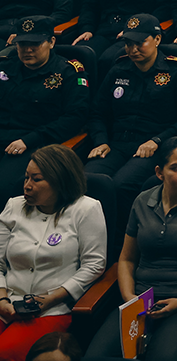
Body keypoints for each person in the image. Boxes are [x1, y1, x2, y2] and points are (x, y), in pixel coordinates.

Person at [83, 137, 177, 359]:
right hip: (142, 300)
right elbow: (127, 259)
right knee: (95, 357)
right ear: (159, 172)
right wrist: (130, 298)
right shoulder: (142, 201)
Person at [0, 145, 106, 360]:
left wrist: (50, 298)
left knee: (5, 352)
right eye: (26, 178)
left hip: (50, 309)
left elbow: (94, 264)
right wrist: (1, 299)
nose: (27, 186)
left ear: (60, 181)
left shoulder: (86, 209)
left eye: (36, 179)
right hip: (6, 302)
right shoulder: (14, 206)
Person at [84, 14, 177, 192]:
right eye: (128, 43)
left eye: (140, 43)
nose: (133, 49)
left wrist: (158, 140)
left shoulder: (176, 71)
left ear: (157, 39)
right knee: (87, 180)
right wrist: (100, 141)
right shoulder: (118, 70)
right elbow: (98, 112)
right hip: (116, 143)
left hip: (154, 146)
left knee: (122, 185)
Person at [0, 19, 90, 197]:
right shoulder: (6, 67)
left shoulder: (68, 72)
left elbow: (75, 117)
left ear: (51, 42)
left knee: (4, 188)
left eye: (34, 44)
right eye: (22, 44)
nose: (27, 50)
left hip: (35, 143)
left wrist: (30, 140)